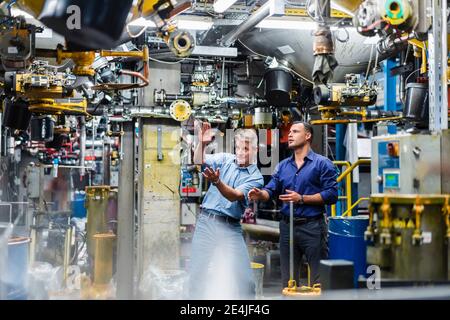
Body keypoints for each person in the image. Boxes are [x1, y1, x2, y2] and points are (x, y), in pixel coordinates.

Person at [248, 121, 338, 287]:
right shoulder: (283, 166)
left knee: (319, 281)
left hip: (313, 227)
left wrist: (302, 198)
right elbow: (271, 189)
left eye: (295, 131)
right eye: (289, 132)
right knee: (288, 282)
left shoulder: (322, 163)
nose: (289, 135)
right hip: (287, 228)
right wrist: (260, 194)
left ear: (308, 135)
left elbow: (332, 195)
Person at [188, 121, 264, 299]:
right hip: (206, 223)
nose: (240, 152)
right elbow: (199, 160)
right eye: (237, 147)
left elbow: (234, 195)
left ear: (255, 150)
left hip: (230, 228)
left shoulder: (256, 178)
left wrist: (217, 182)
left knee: (245, 280)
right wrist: (203, 144)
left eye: (245, 148)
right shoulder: (225, 159)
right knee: (197, 275)